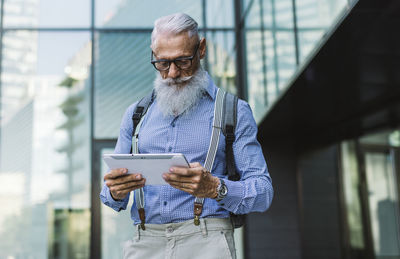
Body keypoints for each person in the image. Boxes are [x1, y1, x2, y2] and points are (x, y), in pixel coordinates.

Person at [100, 12, 273, 259]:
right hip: (145, 241)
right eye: (162, 63)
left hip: (207, 241)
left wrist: (215, 188)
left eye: (183, 61)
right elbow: (110, 196)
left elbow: (263, 191)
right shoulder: (136, 115)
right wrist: (116, 190)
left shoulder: (233, 111)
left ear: (200, 49)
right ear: (153, 54)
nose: (172, 73)